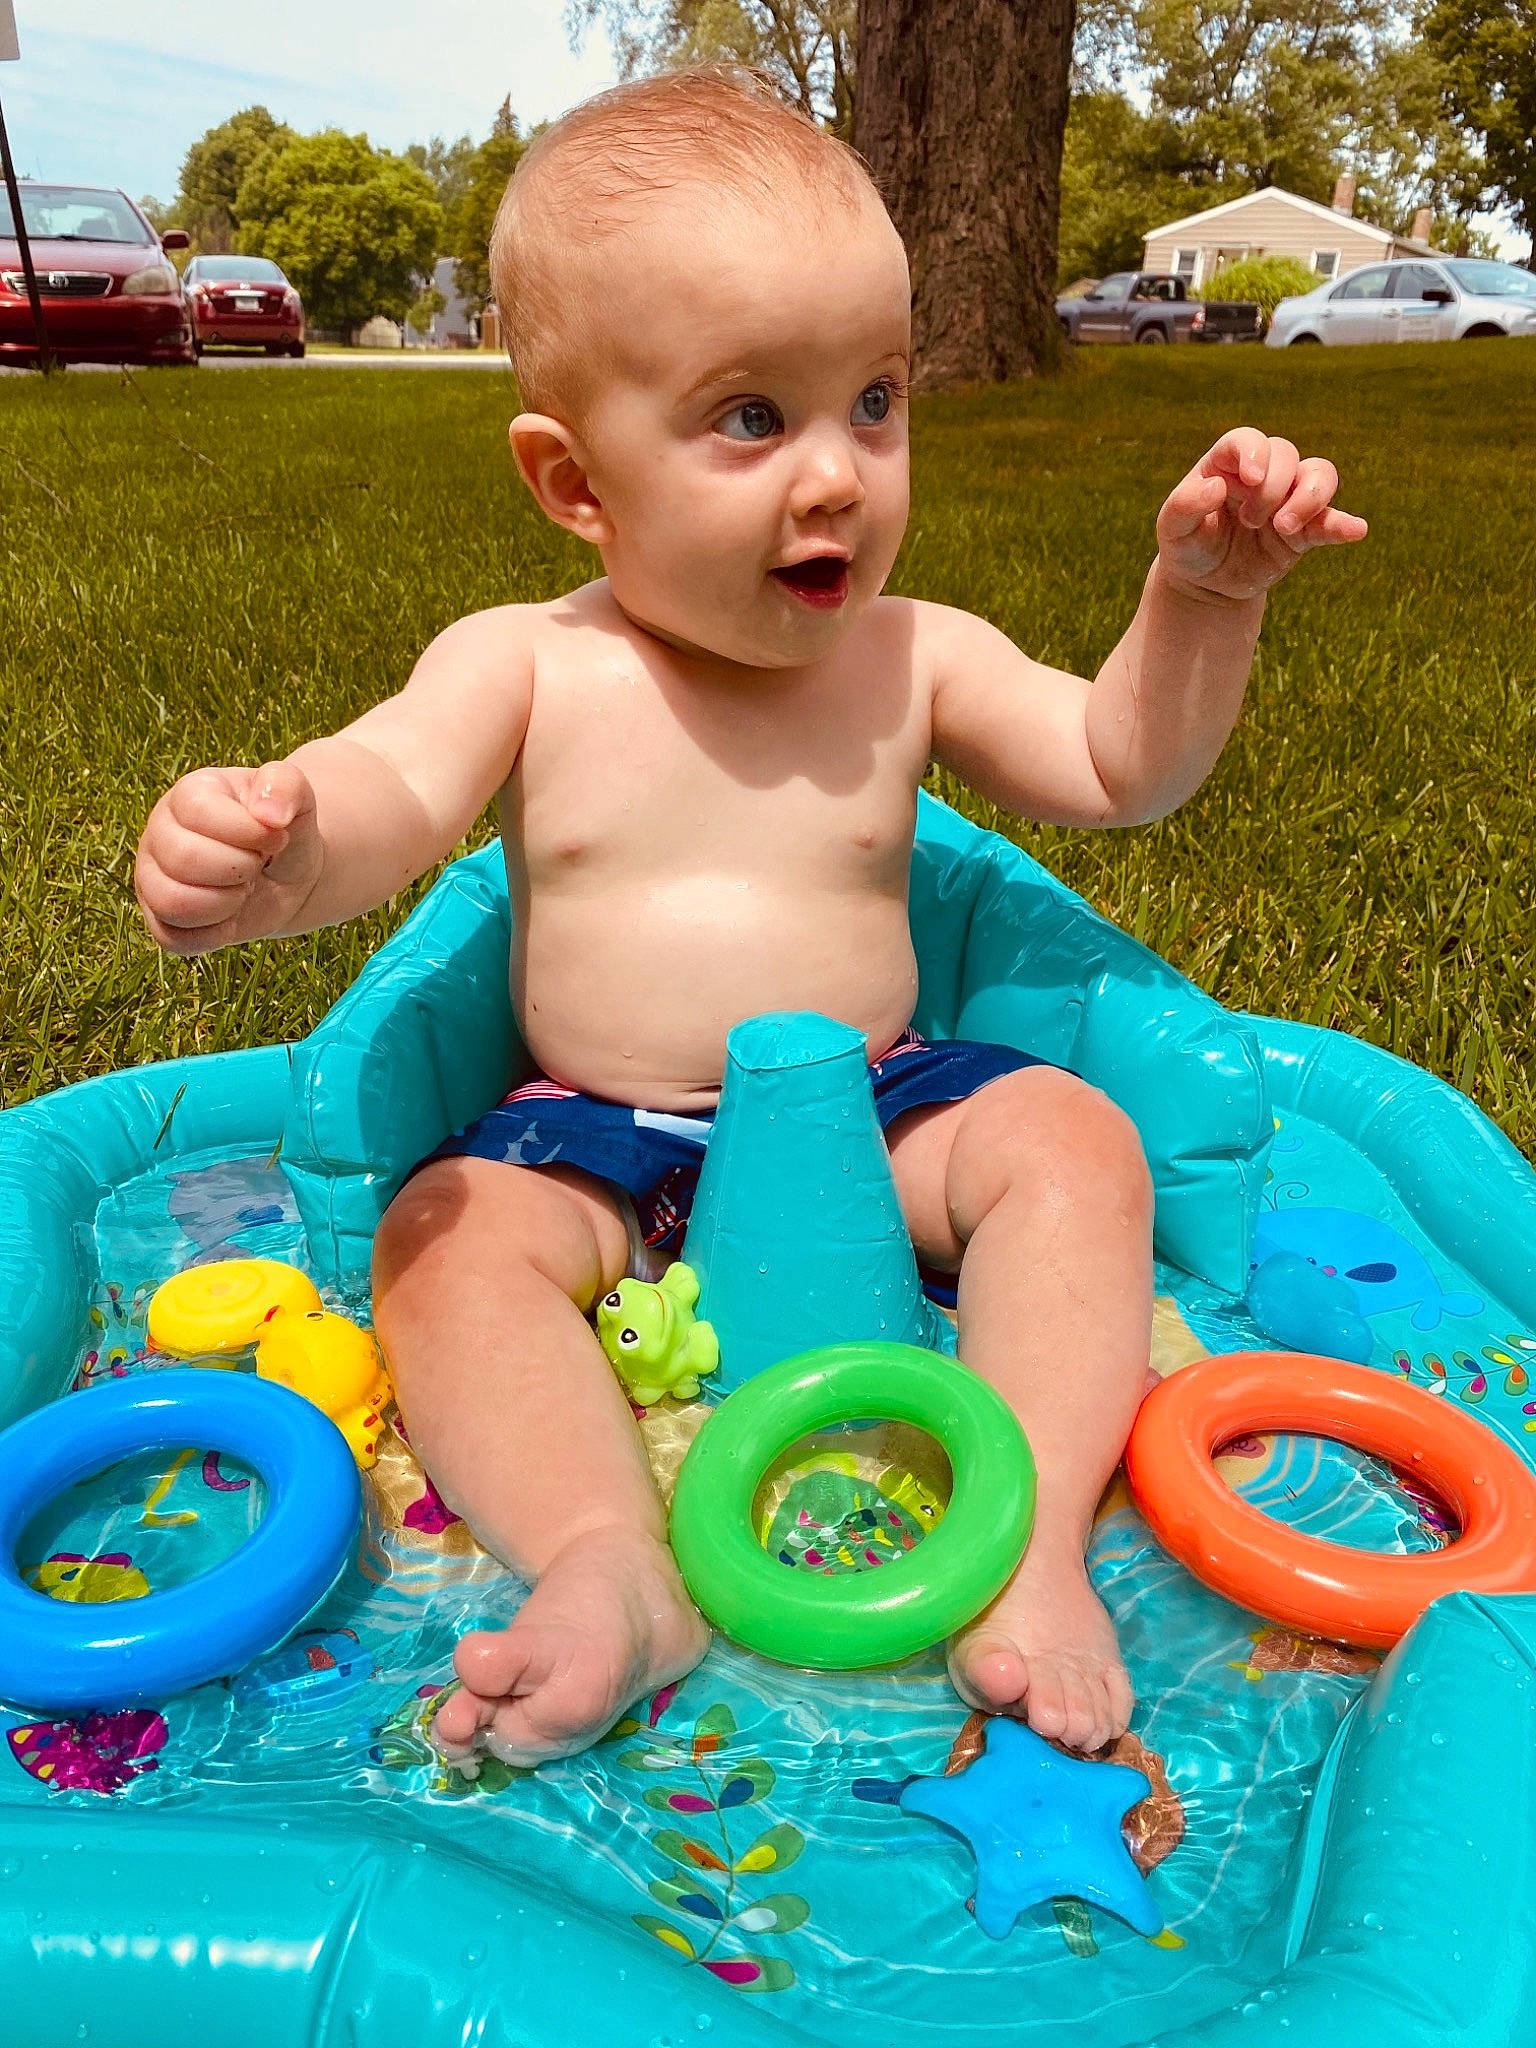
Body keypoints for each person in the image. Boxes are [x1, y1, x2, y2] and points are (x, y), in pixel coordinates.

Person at [133, 63, 1366, 1773]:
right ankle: (610, 1562)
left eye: (874, 400)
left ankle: (1022, 1541)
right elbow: (389, 800)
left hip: (883, 1101)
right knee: (445, 1244)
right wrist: (269, 852)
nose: (840, 477)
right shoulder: (530, 661)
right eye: (750, 420)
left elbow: (1115, 764)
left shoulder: (913, 650)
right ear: (576, 486)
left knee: (1076, 1145)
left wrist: (1202, 600)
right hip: (595, 1142)